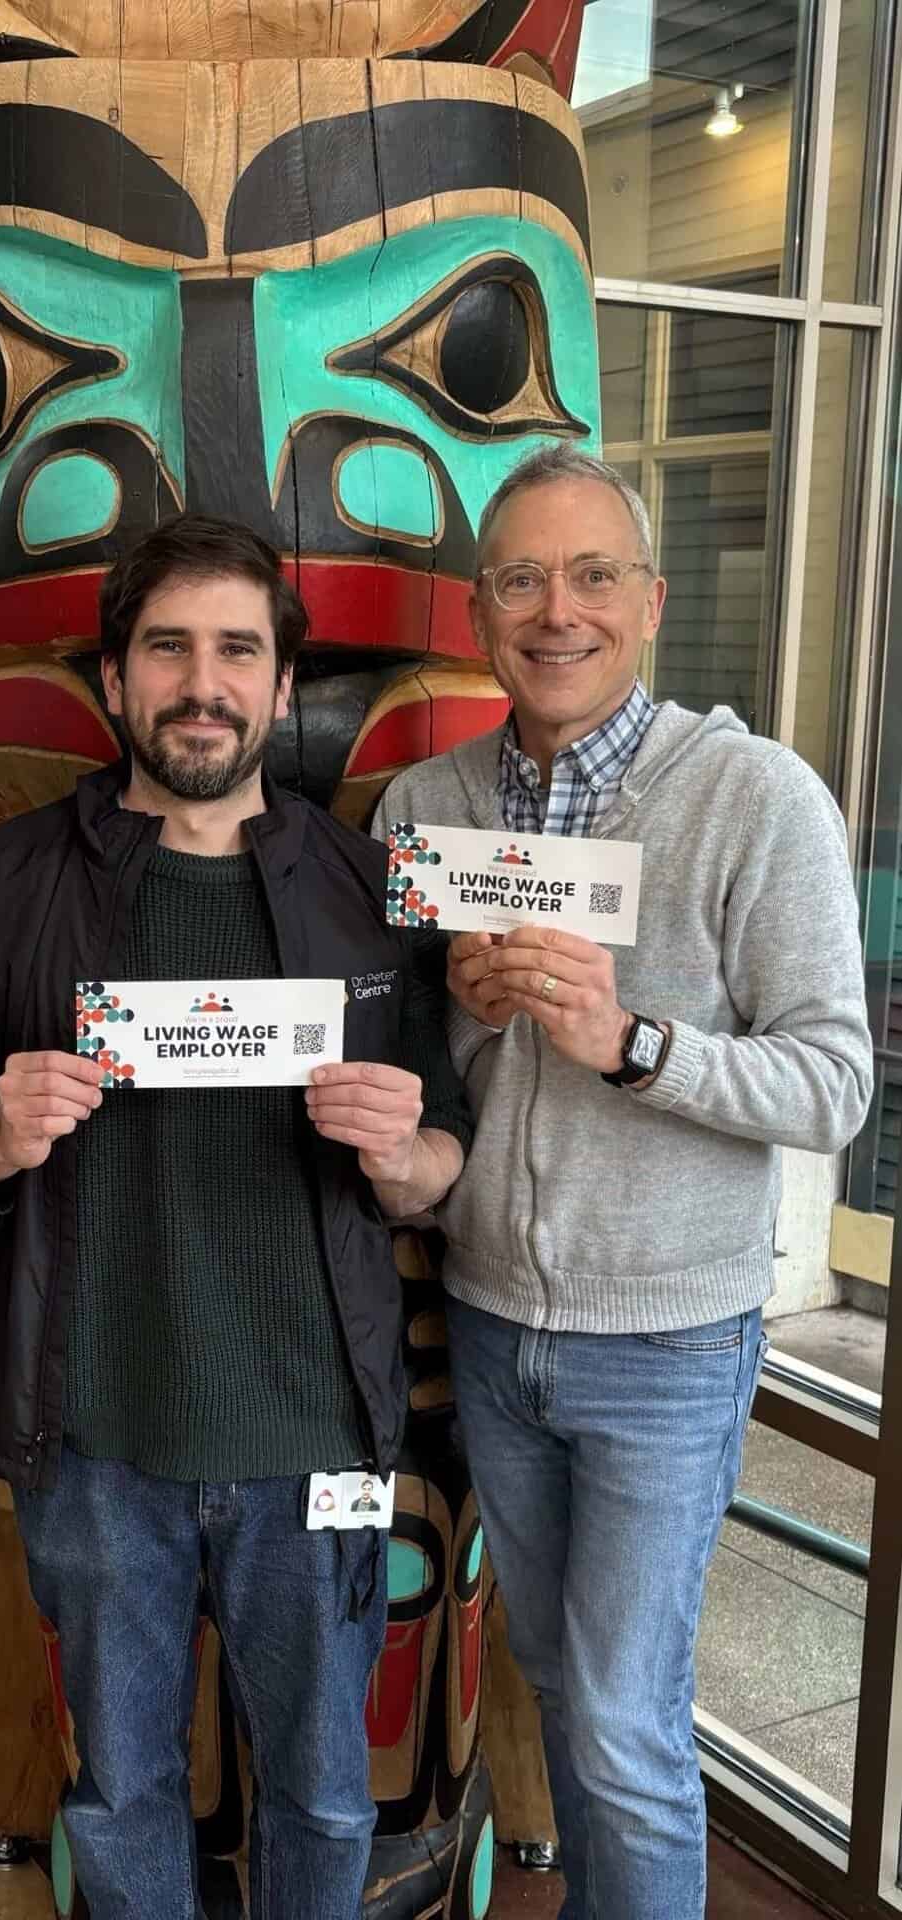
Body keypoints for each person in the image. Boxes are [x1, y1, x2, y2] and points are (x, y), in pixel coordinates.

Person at [0, 514, 473, 1920]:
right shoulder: (1, 885)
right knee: (116, 1793)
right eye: (167, 648)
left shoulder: (368, 892)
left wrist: (409, 1156)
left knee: (327, 1793)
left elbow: (444, 1156)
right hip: (92, 1434)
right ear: (114, 680)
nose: (201, 683)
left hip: (318, 1435)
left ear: (283, 687)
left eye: (238, 650)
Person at [374, 445, 873, 1920]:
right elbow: (409, 1058)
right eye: (521, 577)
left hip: (664, 1342)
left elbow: (831, 1081)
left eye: (592, 574)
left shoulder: (757, 799)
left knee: (624, 1722)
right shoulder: (423, 803)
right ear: (477, 615)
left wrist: (633, 1041)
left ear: (647, 602)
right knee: (566, 1685)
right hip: (487, 1318)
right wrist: (461, 1002)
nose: (557, 609)